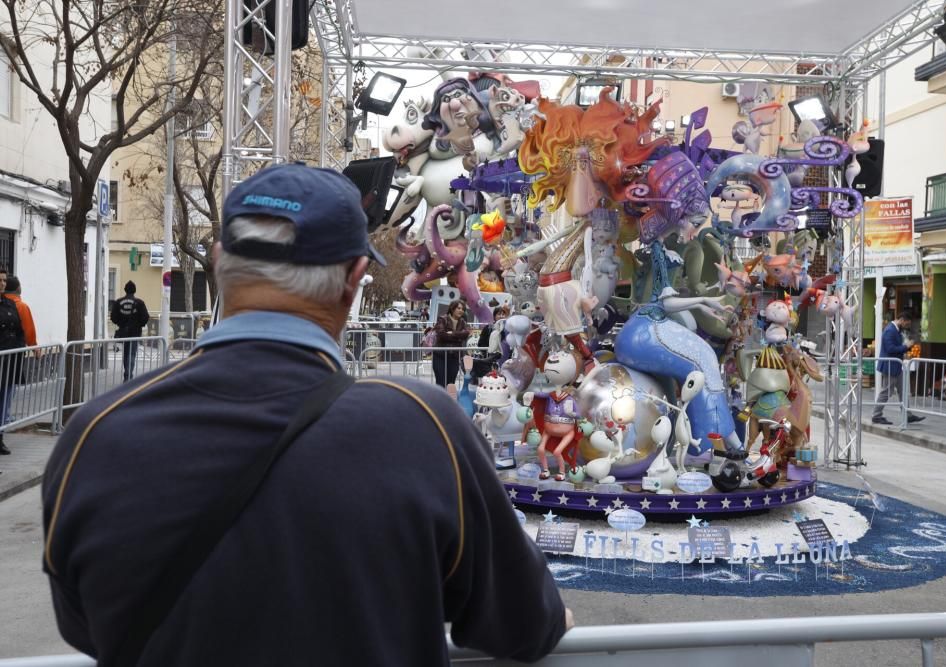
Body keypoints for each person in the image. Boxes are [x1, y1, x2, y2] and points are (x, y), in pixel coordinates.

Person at [41, 163, 570, 665]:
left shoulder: (97, 434)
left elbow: (86, 625)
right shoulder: (422, 429)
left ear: (222, 260)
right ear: (354, 277)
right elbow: (524, 623)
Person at [872, 310, 924, 425]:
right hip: (890, 366)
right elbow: (891, 349)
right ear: (902, 320)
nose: (907, 326)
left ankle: (907, 415)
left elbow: (893, 349)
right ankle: (876, 415)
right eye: (907, 324)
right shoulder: (890, 330)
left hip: (895, 365)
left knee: (903, 390)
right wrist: (906, 346)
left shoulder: (895, 329)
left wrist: (903, 350)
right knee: (886, 391)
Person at [0, 269, 24, 456]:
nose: (2, 283)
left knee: (4, 400)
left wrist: (19, 347)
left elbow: (19, 329)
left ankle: (0, 437)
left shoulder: (9, 304)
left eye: (3, 280)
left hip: (8, 360)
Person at [110, 280, 150, 381]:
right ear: (134, 290)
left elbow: (113, 317)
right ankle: (128, 375)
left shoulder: (118, 302)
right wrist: (139, 324)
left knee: (126, 353)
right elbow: (145, 317)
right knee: (132, 353)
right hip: (135, 332)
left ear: (125, 290)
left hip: (123, 332)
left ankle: (127, 373)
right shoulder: (139, 303)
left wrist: (120, 323)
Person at [432, 299, 470, 391]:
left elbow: (465, 334)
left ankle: (448, 403)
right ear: (452, 308)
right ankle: (440, 402)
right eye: (458, 308)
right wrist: (458, 336)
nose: (461, 310)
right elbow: (441, 334)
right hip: (440, 356)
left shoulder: (463, 322)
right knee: (441, 383)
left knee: (451, 383)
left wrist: (451, 333)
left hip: (454, 356)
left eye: (463, 309)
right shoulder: (443, 319)